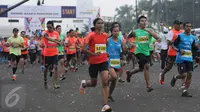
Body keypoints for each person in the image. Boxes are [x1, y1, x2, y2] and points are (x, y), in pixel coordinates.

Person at [79, 18, 112, 112]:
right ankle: (84, 84)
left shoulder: (105, 35)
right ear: (95, 25)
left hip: (103, 61)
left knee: (105, 82)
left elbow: (103, 46)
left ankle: (105, 105)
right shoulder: (90, 35)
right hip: (93, 62)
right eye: (99, 23)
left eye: (102, 23)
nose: (101, 25)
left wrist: (105, 52)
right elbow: (83, 49)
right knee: (94, 83)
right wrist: (93, 54)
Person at [126, 16, 159, 92]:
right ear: (139, 23)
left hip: (147, 52)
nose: (144, 22)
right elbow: (127, 37)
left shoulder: (150, 30)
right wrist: (130, 43)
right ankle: (148, 86)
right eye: (142, 21)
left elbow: (157, 37)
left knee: (141, 68)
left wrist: (151, 32)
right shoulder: (135, 31)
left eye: (145, 21)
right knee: (146, 66)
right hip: (138, 51)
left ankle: (130, 73)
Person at [170, 22, 197, 97]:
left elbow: (194, 48)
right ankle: (175, 77)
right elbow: (173, 45)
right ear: (184, 27)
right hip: (181, 58)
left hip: (189, 58)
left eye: (190, 26)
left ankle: (185, 91)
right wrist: (179, 50)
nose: (188, 28)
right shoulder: (180, 36)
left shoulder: (193, 37)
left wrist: (196, 53)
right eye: (187, 26)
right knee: (183, 75)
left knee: (190, 74)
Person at [159, 20, 183, 85]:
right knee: (169, 67)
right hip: (172, 52)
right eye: (178, 24)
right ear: (174, 25)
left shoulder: (182, 32)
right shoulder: (171, 32)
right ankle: (162, 75)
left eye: (180, 24)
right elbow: (168, 43)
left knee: (181, 68)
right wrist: (175, 41)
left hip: (180, 53)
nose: (179, 26)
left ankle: (183, 84)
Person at [107, 26, 127, 102]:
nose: (116, 32)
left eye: (117, 31)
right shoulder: (108, 40)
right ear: (112, 32)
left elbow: (125, 51)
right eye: (114, 31)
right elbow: (102, 48)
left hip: (117, 61)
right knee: (114, 77)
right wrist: (105, 53)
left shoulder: (120, 40)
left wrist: (125, 45)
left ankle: (109, 95)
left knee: (114, 82)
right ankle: (105, 80)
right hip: (109, 61)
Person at [41, 21, 61, 89]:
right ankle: (45, 80)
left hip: (55, 52)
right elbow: (47, 38)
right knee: (46, 69)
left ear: (53, 26)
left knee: (56, 67)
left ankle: (55, 83)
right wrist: (55, 41)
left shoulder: (56, 33)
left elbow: (59, 42)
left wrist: (59, 43)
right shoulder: (44, 32)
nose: (49, 28)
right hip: (47, 53)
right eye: (48, 27)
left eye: (50, 27)